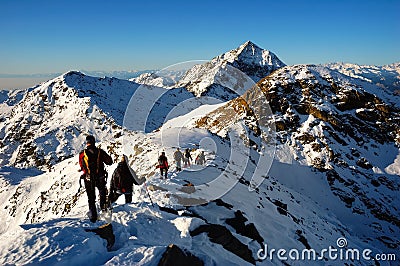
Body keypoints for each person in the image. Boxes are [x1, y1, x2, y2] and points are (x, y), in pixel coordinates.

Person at [79, 135, 113, 223]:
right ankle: (104, 209)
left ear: (87, 143)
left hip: (88, 178)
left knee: (91, 198)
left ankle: (93, 216)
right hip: (100, 177)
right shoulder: (99, 152)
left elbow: (82, 166)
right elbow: (109, 162)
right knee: (102, 193)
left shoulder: (82, 154)